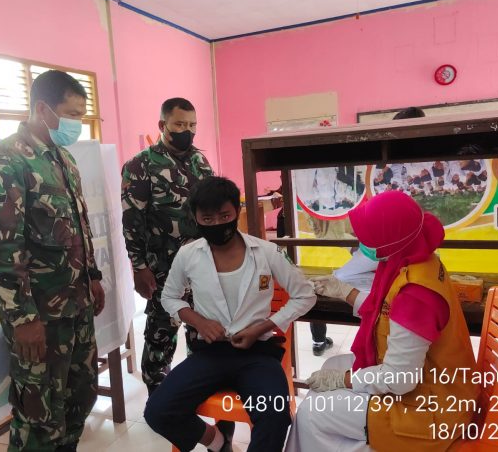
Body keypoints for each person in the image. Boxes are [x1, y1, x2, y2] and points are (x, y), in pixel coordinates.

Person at [286, 191, 479, 452]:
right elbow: (388, 313)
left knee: (312, 412)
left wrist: (344, 380)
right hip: (438, 386)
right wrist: (345, 292)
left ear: (391, 241)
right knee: (332, 365)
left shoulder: (416, 295)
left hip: (429, 411)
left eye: (369, 237)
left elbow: (400, 378)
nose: (361, 243)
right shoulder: (419, 260)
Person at [0, 70, 105, 451]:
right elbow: (3, 250)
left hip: (76, 305)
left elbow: (79, 226)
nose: (77, 123)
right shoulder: (6, 161)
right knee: (39, 418)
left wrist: (93, 277)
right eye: (72, 114)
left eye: (82, 115)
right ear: (42, 109)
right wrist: (23, 319)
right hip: (39, 316)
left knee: (79, 399)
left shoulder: (63, 159)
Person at [144, 177, 316, 452]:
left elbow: (305, 295)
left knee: (274, 415)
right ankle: (217, 441)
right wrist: (199, 322)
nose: (217, 224)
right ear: (196, 218)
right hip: (209, 353)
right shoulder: (188, 255)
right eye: (207, 219)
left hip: (257, 354)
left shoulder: (267, 252)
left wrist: (261, 328)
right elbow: (169, 297)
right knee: (157, 410)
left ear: (237, 211)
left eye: (224, 216)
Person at [121, 97, 214, 395]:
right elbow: (132, 220)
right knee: (160, 336)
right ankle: (158, 399)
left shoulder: (200, 162)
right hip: (163, 270)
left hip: (202, 268)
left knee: (202, 335)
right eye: (180, 124)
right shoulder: (140, 165)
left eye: (192, 125)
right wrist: (139, 268)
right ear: (163, 125)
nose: (187, 131)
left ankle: (196, 392)